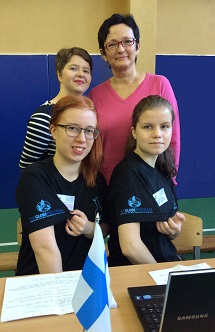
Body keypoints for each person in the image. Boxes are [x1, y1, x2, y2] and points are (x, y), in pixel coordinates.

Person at [16, 95, 108, 275]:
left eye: (89, 131)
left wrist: (89, 228)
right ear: (53, 130)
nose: (82, 138)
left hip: (85, 283)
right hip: (44, 283)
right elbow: (45, 250)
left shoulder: (97, 180)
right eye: (73, 128)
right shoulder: (35, 177)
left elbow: (106, 226)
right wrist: (59, 298)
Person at [89, 13, 180, 185]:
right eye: (112, 44)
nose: (121, 49)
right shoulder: (96, 95)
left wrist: (168, 182)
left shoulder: (160, 84)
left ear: (137, 46)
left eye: (127, 41)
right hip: (110, 187)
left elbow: (173, 138)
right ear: (103, 53)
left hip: (153, 185)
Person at [107, 95, 185, 267]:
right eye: (148, 127)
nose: (157, 134)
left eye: (164, 126)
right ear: (134, 131)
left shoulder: (163, 169)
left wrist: (174, 230)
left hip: (166, 264)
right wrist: (162, 275)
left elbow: (164, 232)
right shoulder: (128, 173)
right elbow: (130, 247)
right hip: (137, 273)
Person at [19, 47, 92, 169]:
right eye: (73, 68)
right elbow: (27, 167)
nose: (81, 74)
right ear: (59, 74)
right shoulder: (44, 117)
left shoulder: (88, 114)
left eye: (86, 71)